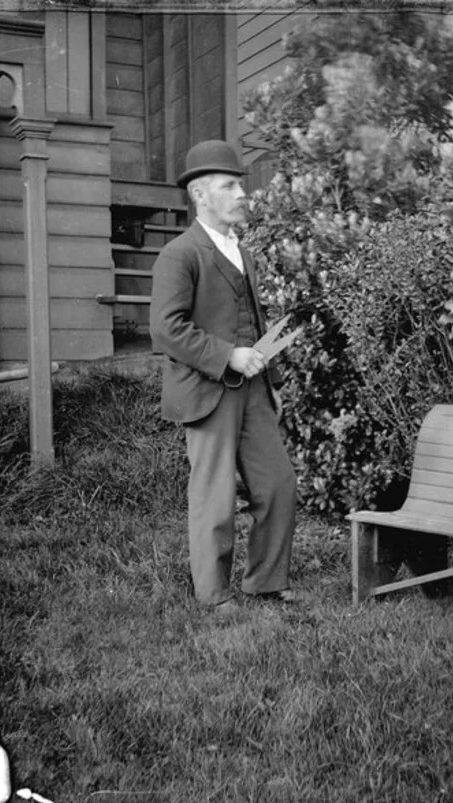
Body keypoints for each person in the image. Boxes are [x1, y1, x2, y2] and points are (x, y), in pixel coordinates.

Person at [150, 140, 297, 614]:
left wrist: (266, 375)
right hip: (207, 391)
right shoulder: (180, 254)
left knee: (277, 484)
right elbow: (166, 329)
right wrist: (227, 355)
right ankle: (214, 597)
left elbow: (249, 320)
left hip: (252, 391)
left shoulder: (241, 252)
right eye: (229, 185)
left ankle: (265, 582)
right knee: (213, 500)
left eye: (241, 184)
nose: (242, 194)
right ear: (200, 195)